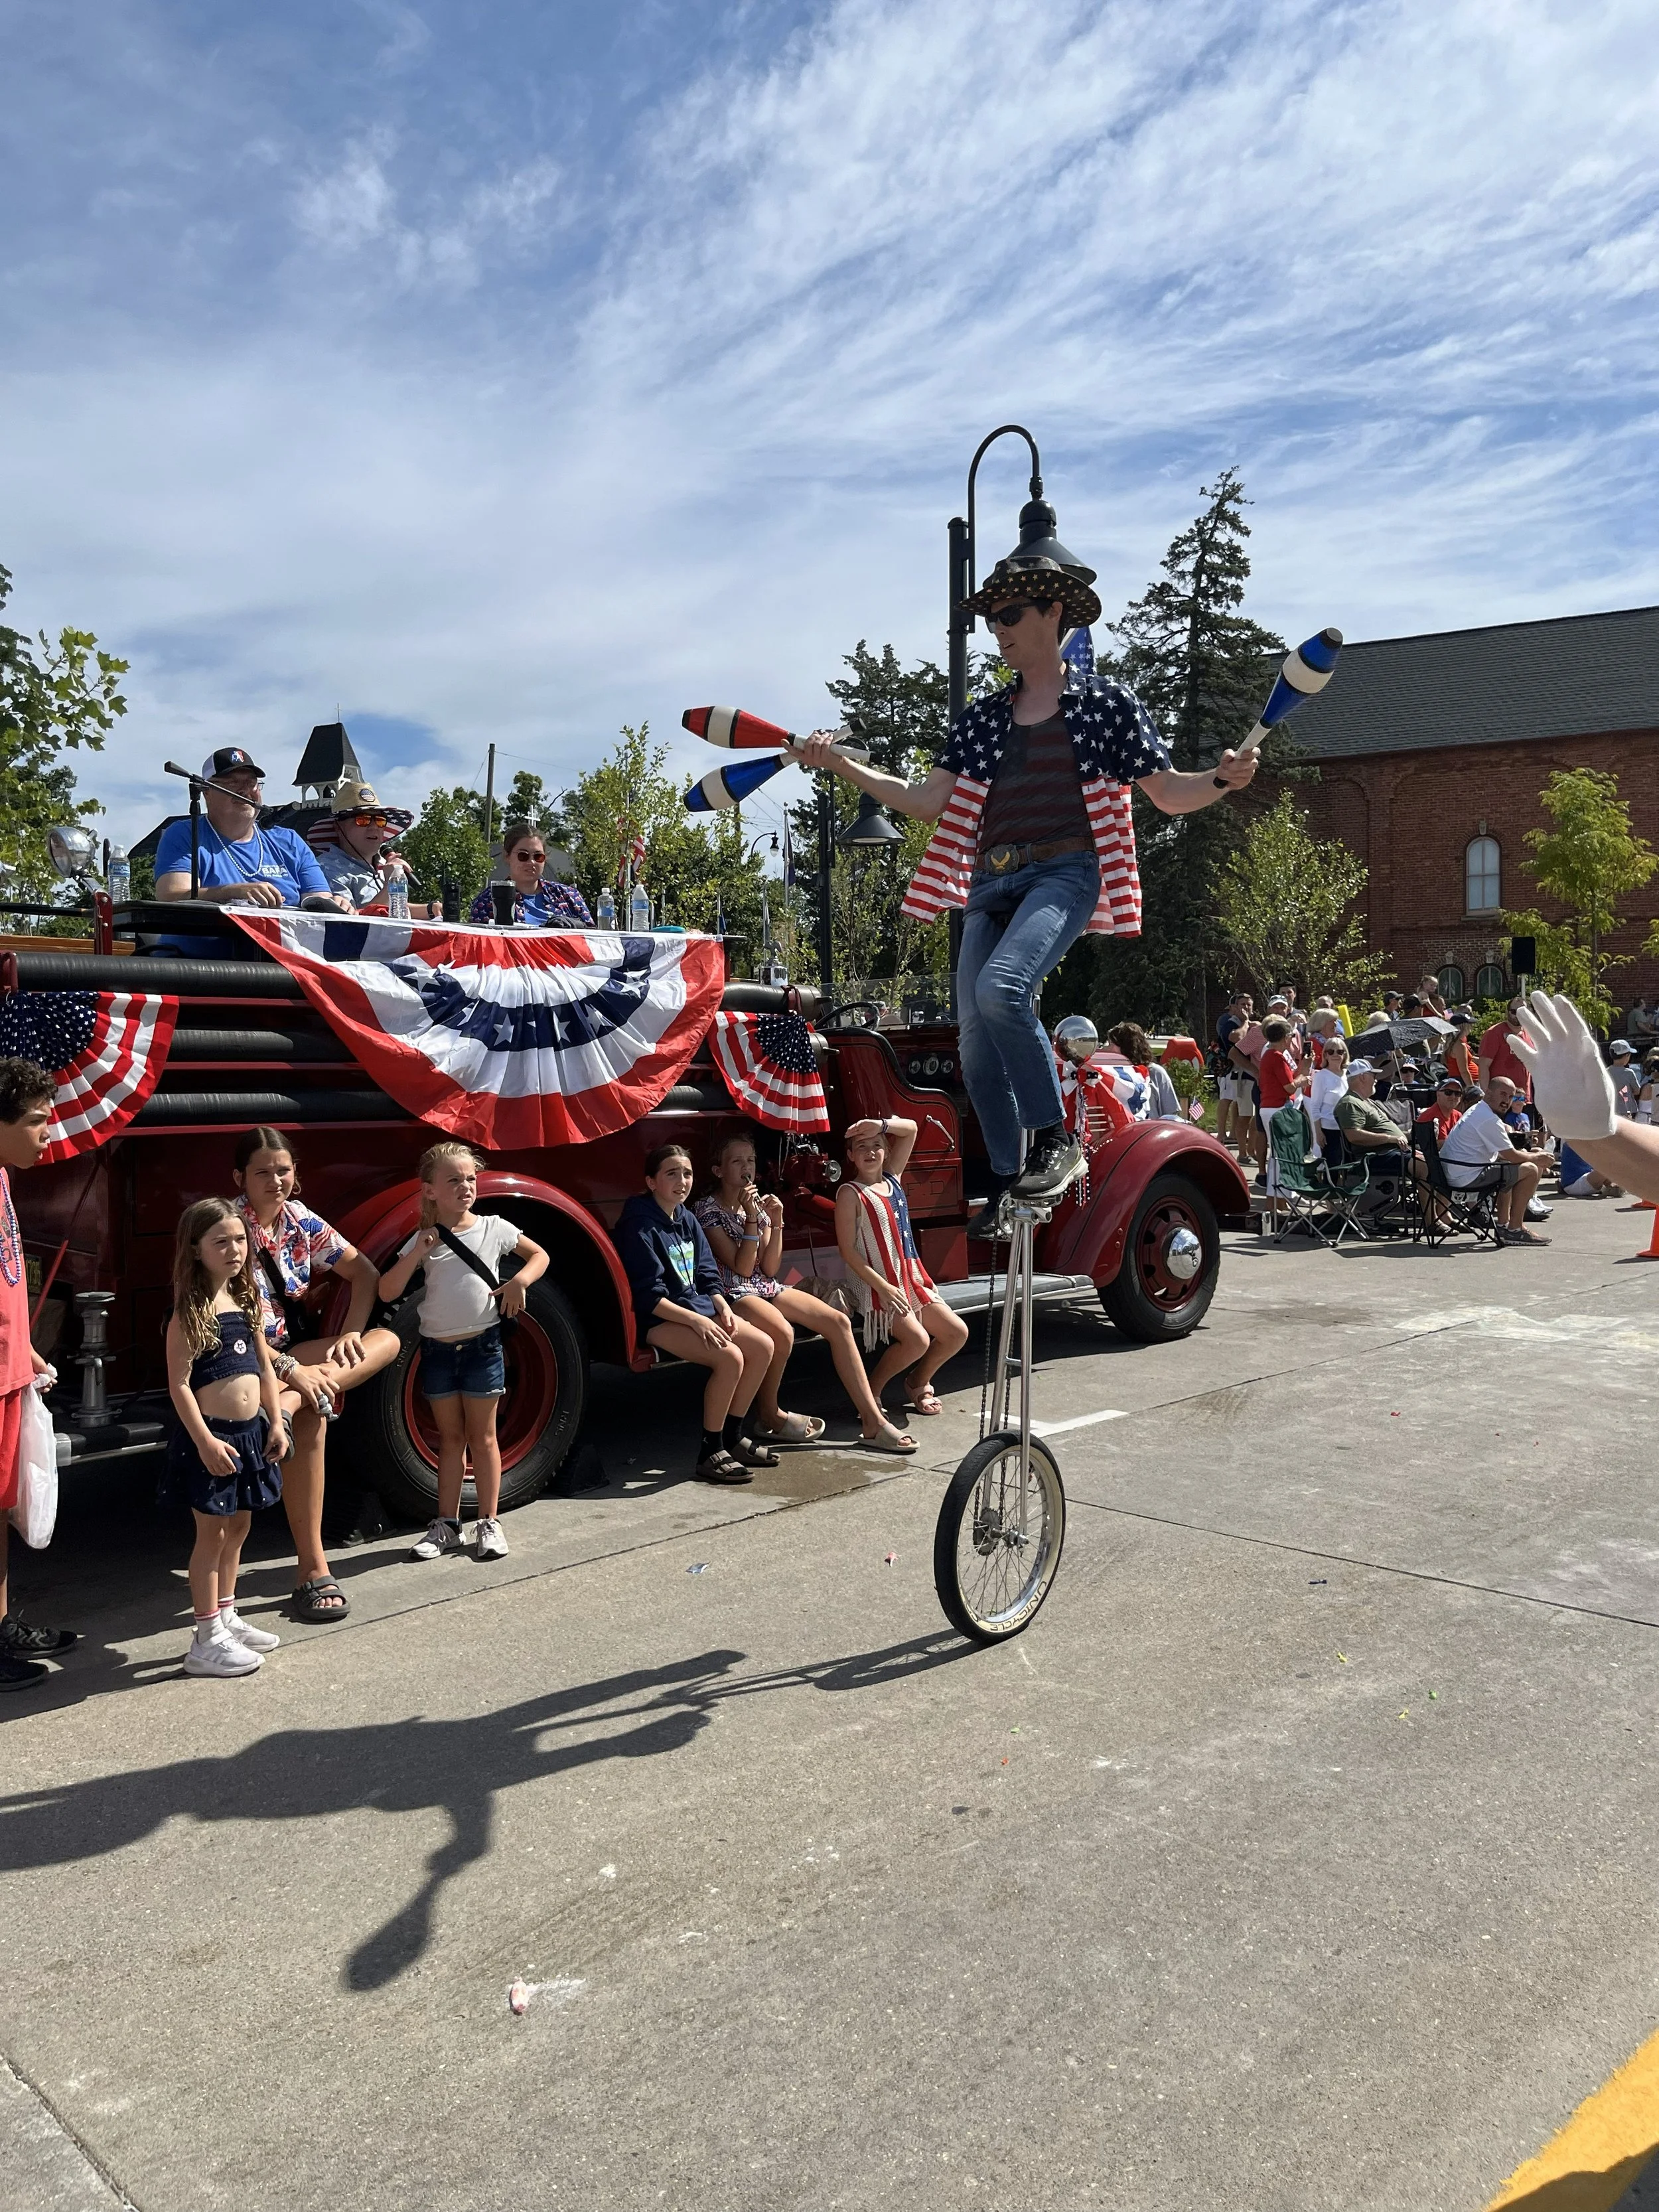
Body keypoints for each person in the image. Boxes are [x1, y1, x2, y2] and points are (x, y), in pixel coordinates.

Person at [797, 547, 1258, 1219]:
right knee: (974, 1041)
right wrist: (841, 765)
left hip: (1065, 871)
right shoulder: (984, 719)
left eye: (1010, 613)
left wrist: (1219, 779)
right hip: (991, 882)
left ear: (1054, 612)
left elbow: (1166, 793)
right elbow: (925, 800)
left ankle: (1056, 1136)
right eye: (990, 618)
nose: (998, 628)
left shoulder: (1104, 705)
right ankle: (1014, 1182)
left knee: (1001, 988)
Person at [230, 1128, 401, 1619]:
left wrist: (349, 1332)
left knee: (386, 1340)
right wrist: (290, 1371)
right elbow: (225, 1316)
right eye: (263, 1171)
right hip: (239, 1355)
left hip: (289, 1353)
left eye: (284, 1169)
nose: (276, 1180)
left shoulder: (300, 1219)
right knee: (315, 1417)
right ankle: (314, 1568)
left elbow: (364, 1273)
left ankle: (289, 1403)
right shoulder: (227, 1223)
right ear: (240, 1177)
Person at [695, 1128, 914, 1454]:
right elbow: (740, 1268)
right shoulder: (707, 1210)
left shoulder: (753, 1206)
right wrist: (755, 1219)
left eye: (751, 1161)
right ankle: (769, 1414)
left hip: (764, 1285)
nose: (747, 1168)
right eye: (737, 1161)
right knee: (782, 1332)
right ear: (719, 1170)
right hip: (731, 1292)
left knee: (837, 1322)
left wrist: (777, 1220)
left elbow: (769, 1268)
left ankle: (872, 1421)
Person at [376, 1142, 549, 1556]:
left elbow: (539, 1255)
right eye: (454, 1180)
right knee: (451, 1440)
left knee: (484, 1437)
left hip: (483, 1347)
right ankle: (447, 1525)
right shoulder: (426, 1239)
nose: (465, 1186)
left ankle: (489, 1523)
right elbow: (387, 1290)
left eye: (470, 1178)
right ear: (431, 1190)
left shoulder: (493, 1227)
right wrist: (418, 1250)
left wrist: (520, 1282)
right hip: (437, 1351)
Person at [164, 1199, 289, 1678]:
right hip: (213, 1440)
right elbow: (178, 1384)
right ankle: (205, 1635)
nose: (234, 1249)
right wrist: (204, 1442)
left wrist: (274, 1422)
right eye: (220, 1241)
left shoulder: (247, 1298)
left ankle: (227, 1614)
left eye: (240, 1239)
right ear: (195, 1249)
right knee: (211, 1534)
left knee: (240, 1526)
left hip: (251, 1433)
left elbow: (264, 1365)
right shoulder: (189, 1313)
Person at [613, 1143, 776, 1485]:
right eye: (672, 1173)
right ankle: (710, 1451)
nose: (682, 1181)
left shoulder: (686, 1217)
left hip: (697, 1311)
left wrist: (720, 1305)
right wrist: (697, 1320)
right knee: (730, 1358)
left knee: (763, 1346)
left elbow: (706, 1273)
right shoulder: (639, 1225)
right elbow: (648, 1297)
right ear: (651, 1181)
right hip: (661, 1319)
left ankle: (733, 1436)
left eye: (687, 1173)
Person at [0, 1060, 76, 1692]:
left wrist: (26, 1350)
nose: (47, 1134)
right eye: (35, 1122)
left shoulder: (3, 1177)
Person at [153, 747, 351, 954]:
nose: (244, 790)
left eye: (251, 783)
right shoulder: (186, 833)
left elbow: (318, 901)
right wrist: (233, 892)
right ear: (206, 792)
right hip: (202, 965)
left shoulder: (290, 841)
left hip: (283, 962)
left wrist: (335, 904)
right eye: (233, 783)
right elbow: (171, 896)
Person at [835, 1116, 970, 1418]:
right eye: (861, 1147)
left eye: (876, 1146)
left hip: (909, 1279)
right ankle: (871, 1390)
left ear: (886, 1150)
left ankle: (917, 1381)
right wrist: (883, 1288)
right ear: (851, 1156)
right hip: (875, 1285)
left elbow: (910, 1130)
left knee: (956, 1333)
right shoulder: (850, 1193)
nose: (870, 1153)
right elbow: (847, 1251)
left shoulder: (892, 1178)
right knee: (917, 1341)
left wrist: (878, 1125)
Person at [1437, 1076, 1549, 1244]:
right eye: (1503, 1094)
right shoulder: (1488, 1118)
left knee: (1508, 1168)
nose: (1507, 1101)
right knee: (1530, 1169)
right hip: (1465, 1179)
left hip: (1454, 1174)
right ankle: (1515, 1229)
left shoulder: (1477, 1110)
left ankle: (1504, 1225)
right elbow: (1512, 1155)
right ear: (1488, 1092)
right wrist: (1538, 1157)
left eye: (1511, 1097)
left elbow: (1506, 1156)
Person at [313, 779, 437, 917]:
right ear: (338, 827)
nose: (374, 827)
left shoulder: (385, 866)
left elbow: (396, 908)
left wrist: (431, 909)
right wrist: (390, 885)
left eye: (380, 821)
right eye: (363, 820)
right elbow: (351, 923)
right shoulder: (324, 869)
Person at [469, 822, 593, 929]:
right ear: (507, 856)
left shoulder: (568, 896)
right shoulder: (488, 901)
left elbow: (595, 938)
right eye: (523, 856)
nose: (531, 862)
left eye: (538, 856)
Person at [1106, 1023, 1183, 1120]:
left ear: (1127, 1045)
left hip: (1151, 1132)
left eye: (1112, 1044)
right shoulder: (1110, 1074)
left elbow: (1171, 1115)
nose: (1108, 1049)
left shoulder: (1156, 1073)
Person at [1214, 991, 1253, 1153]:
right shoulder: (1229, 1023)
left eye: (1249, 1005)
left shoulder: (1254, 1024)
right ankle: (1221, 1134)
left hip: (1245, 1073)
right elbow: (1235, 1038)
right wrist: (1245, 1024)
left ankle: (1234, 1134)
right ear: (1235, 1007)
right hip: (1229, 1069)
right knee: (1226, 1099)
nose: (1245, 1008)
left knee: (1240, 1104)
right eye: (1242, 1004)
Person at [1477, 999, 1534, 1103]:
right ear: (1507, 1012)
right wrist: (1486, 1094)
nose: (1518, 1015)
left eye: (1522, 1011)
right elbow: (1484, 1066)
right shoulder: (1494, 1033)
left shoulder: (1529, 1033)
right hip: (1501, 1100)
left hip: (1523, 1099)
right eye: (1514, 1012)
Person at [1309, 1038, 1351, 1163]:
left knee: (1350, 1169)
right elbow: (1315, 1107)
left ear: (1345, 1055)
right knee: (1332, 1168)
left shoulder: (1350, 1074)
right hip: (1329, 1129)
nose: (1335, 1055)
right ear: (1325, 1055)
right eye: (1331, 1051)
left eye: (1339, 1052)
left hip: (1350, 1128)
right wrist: (1318, 1132)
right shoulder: (1320, 1076)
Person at [1443, 1011, 1478, 1088]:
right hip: (1462, 1082)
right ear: (1463, 1026)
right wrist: (1472, 1089)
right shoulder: (1459, 1045)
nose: (1471, 1027)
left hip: (1460, 1080)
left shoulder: (1455, 1042)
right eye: (1469, 1025)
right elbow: (1464, 1071)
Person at [1607, 1040, 1641, 1118]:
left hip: (1610, 1111)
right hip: (1626, 1111)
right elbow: (1637, 1091)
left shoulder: (1605, 1072)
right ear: (1627, 1055)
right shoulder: (1629, 1073)